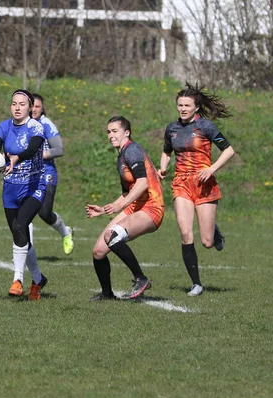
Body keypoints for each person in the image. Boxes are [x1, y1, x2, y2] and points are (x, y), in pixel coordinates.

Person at [158, 83, 235, 297]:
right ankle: (196, 284)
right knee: (185, 234)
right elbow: (166, 152)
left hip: (204, 184)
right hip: (181, 183)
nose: (182, 108)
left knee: (207, 242)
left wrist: (211, 169)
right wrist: (163, 168)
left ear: (196, 107)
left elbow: (228, 150)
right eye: (179, 105)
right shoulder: (172, 129)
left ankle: (216, 234)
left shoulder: (207, 127)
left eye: (186, 105)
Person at [0, 89, 48, 301]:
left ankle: (18, 280)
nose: (17, 107)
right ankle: (38, 279)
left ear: (30, 107)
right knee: (19, 235)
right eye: (14, 103)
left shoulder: (36, 126)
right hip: (11, 187)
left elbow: (33, 149)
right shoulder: (4, 126)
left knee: (19, 226)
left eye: (22, 104)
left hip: (35, 185)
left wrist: (16, 158)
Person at [86, 116, 165, 300]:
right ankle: (107, 294)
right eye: (108, 132)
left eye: (115, 131)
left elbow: (143, 183)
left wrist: (119, 206)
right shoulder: (121, 157)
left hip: (152, 207)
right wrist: (104, 210)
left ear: (126, 132)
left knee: (111, 235)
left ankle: (141, 278)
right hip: (136, 205)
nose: (110, 135)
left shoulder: (132, 150)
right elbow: (127, 192)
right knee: (98, 251)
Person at [30, 93, 74, 255]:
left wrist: (38, 155)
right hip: (27, 174)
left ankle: (65, 232)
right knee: (24, 214)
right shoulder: (21, 125)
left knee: (44, 213)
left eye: (38, 106)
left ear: (42, 109)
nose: (34, 109)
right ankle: (26, 253)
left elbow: (59, 149)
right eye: (32, 106)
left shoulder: (46, 124)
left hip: (46, 173)